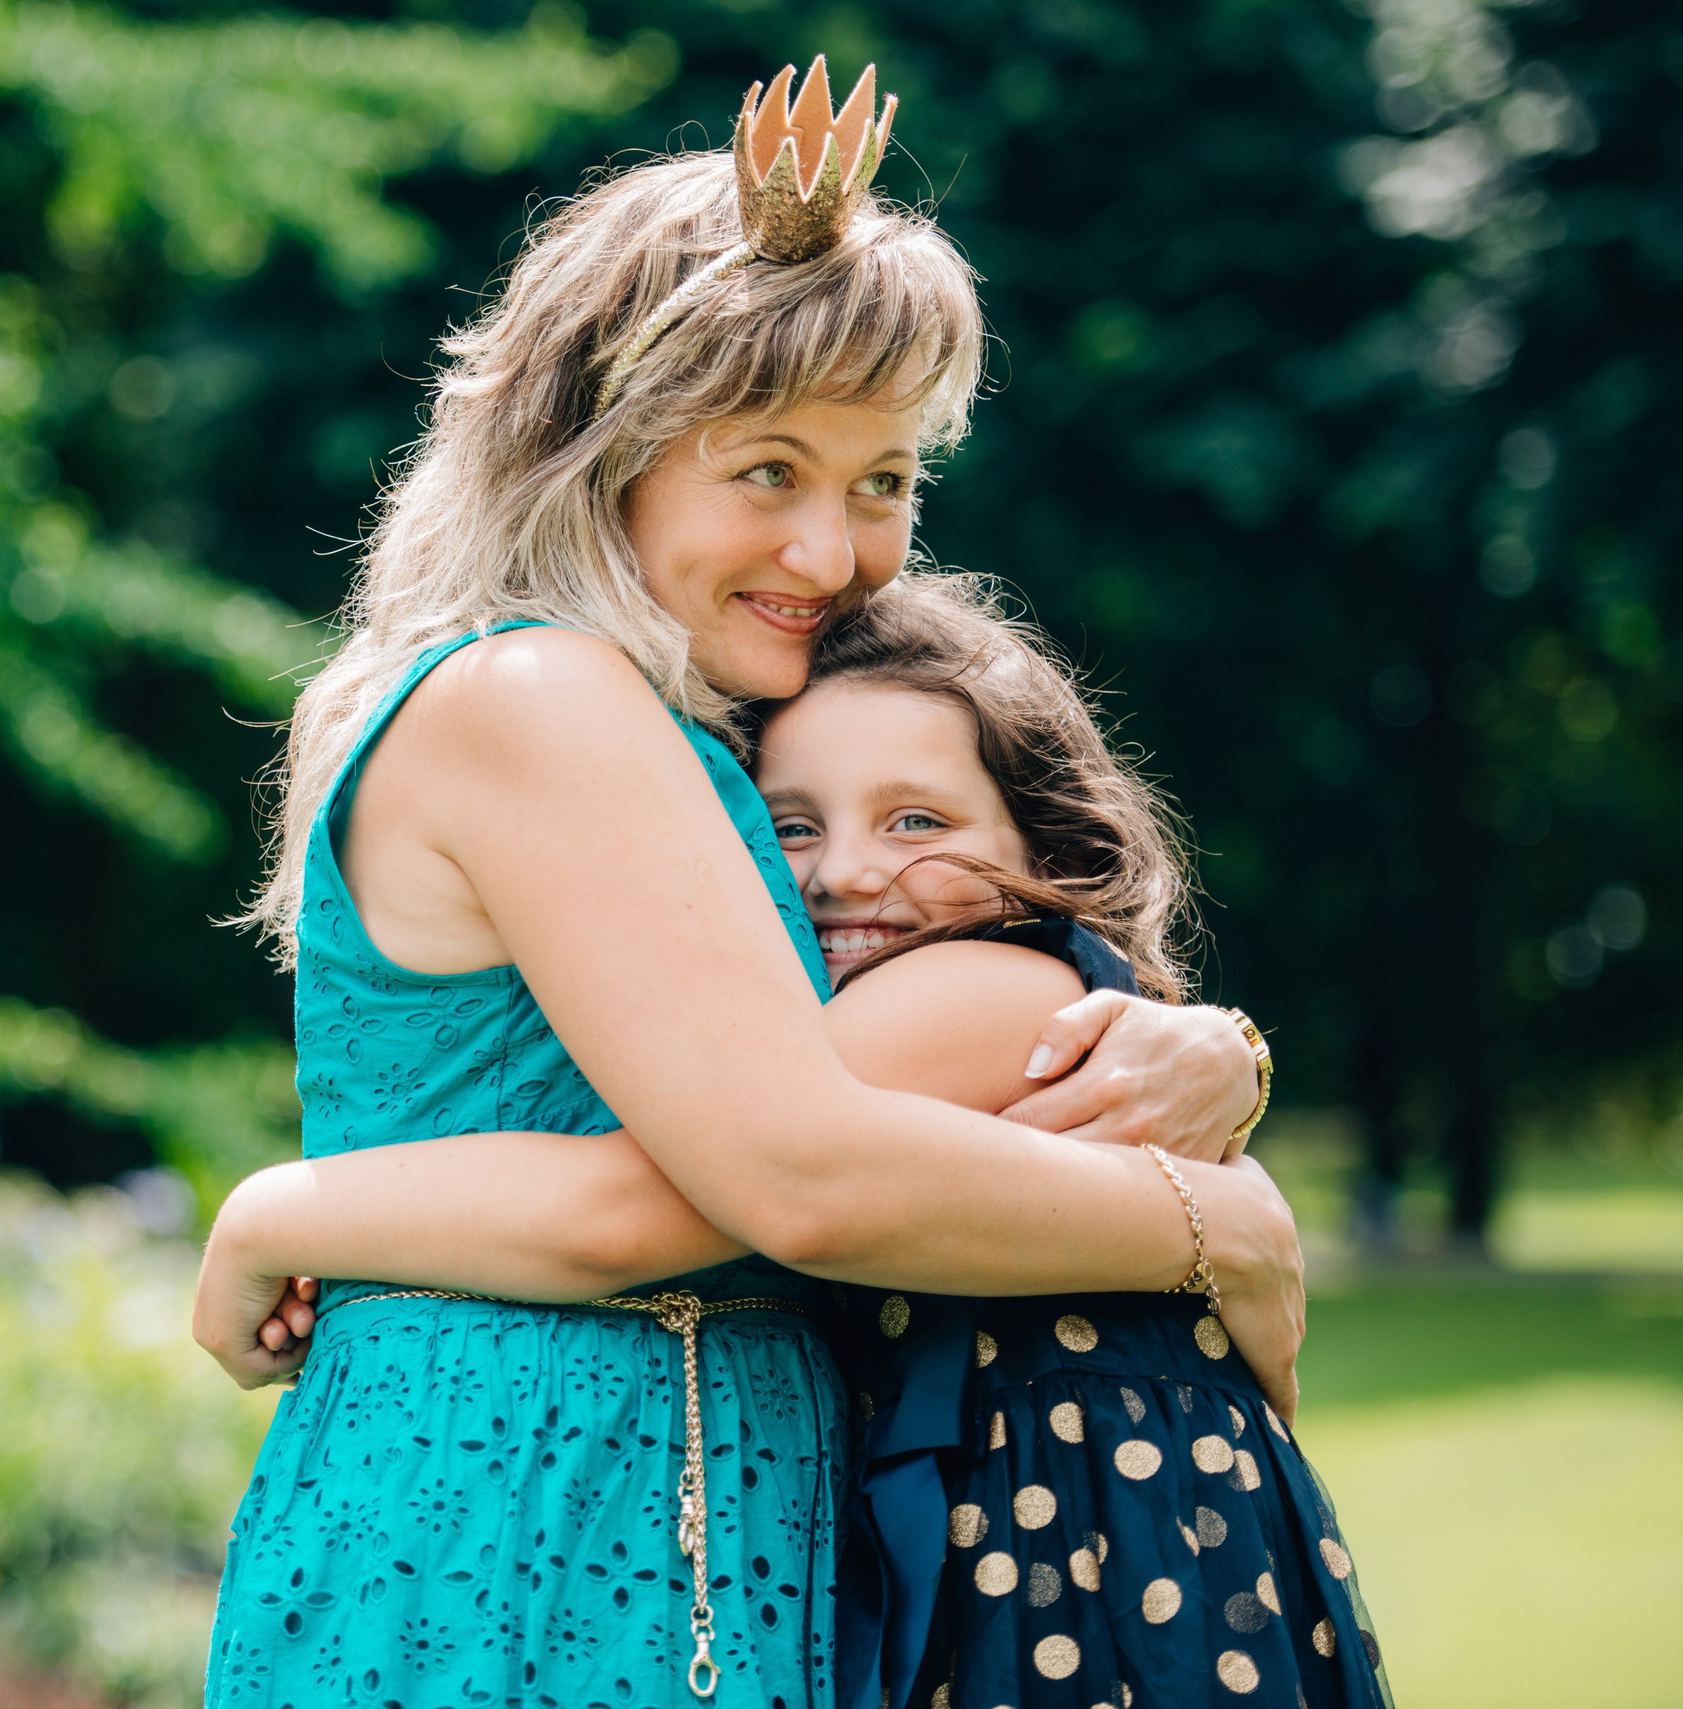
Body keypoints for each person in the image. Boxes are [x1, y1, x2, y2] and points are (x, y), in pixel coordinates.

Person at [196, 60, 1304, 1706]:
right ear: (597, 453)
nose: (834, 552)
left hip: (633, 1480)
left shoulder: (675, 720)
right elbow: (801, 1167)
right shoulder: (543, 696)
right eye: (767, 469)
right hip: (540, 1500)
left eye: (883, 481)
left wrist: (1200, 1040)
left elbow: (909, 1003)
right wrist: (1225, 1225)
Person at [218, 576, 1393, 1708]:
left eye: (917, 820)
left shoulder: (980, 987)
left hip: (1088, 1563)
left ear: (1046, 852)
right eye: (790, 826)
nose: (844, 871)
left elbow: (642, 1202)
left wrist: (285, 1211)